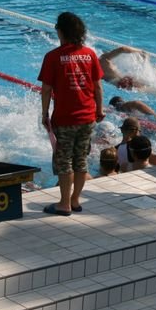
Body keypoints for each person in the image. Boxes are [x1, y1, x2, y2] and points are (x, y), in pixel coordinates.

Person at [38, 12, 105, 216]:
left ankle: (64, 204)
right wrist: (99, 109)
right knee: (81, 159)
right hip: (87, 117)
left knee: (64, 160)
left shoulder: (53, 57)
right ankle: (75, 200)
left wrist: (44, 113)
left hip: (66, 118)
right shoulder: (90, 54)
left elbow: (47, 89)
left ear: (61, 31)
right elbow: (98, 87)